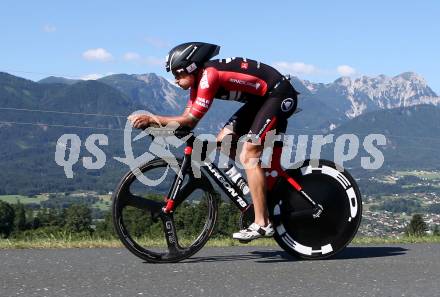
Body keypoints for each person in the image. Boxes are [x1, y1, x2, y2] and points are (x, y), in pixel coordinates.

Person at [128, 42, 298, 241]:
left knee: (250, 153)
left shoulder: (210, 76)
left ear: (190, 67)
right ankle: (256, 181)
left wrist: (153, 118)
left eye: (177, 74)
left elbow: (191, 120)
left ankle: (262, 223)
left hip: (279, 95)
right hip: (262, 100)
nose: (175, 80)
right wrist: (156, 126)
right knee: (224, 141)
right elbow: (186, 122)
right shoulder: (198, 82)